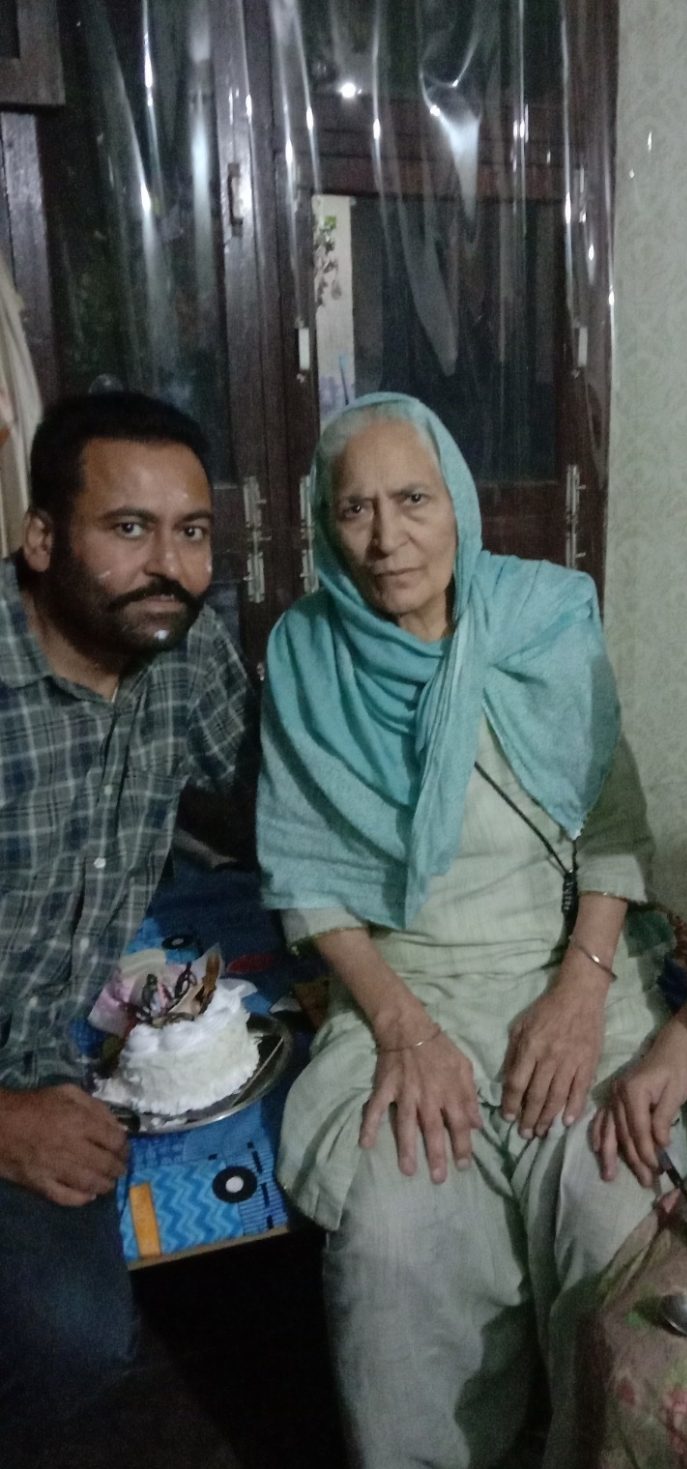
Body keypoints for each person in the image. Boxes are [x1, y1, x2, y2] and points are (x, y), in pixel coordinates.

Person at [257, 392, 687, 1469]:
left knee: (608, 1203)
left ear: (459, 501)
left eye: (413, 499)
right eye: (354, 508)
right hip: (404, 988)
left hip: (570, 964)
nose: (386, 537)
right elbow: (308, 879)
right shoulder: (307, 654)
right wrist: (404, 1028)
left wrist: (582, 989)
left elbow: (613, 830)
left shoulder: (546, 617)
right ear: (324, 524)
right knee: (394, 1238)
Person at [0, 391, 258, 1455]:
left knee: (82, 1333)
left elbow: (270, 802)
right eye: (129, 527)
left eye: (191, 531)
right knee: (60, 1339)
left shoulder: (182, 654)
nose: (169, 566)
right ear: (41, 537)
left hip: (45, 1047)